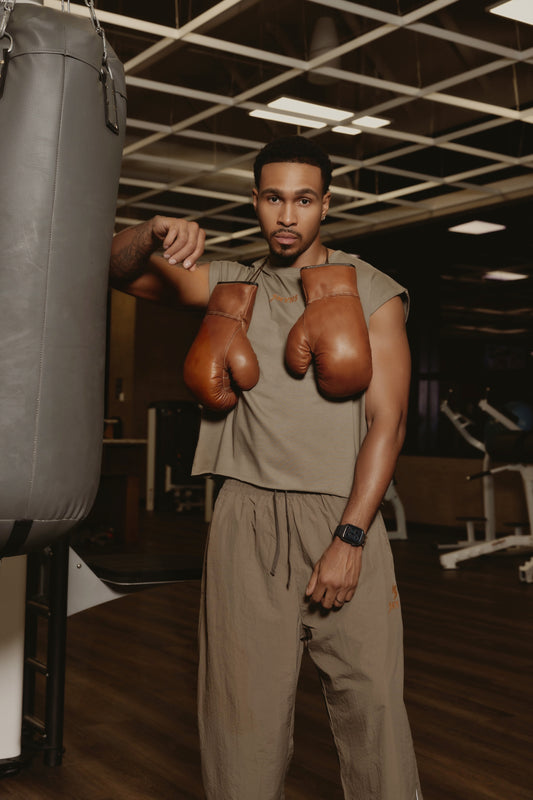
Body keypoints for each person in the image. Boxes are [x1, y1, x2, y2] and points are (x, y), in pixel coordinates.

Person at [110, 135, 422, 800]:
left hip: (342, 517)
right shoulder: (230, 284)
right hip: (244, 516)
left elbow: (387, 423)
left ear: (325, 205)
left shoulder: (373, 290)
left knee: (372, 709)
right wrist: (151, 229)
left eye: (303, 200)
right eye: (273, 198)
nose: (287, 215)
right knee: (240, 719)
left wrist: (350, 537)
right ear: (254, 200)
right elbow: (113, 270)